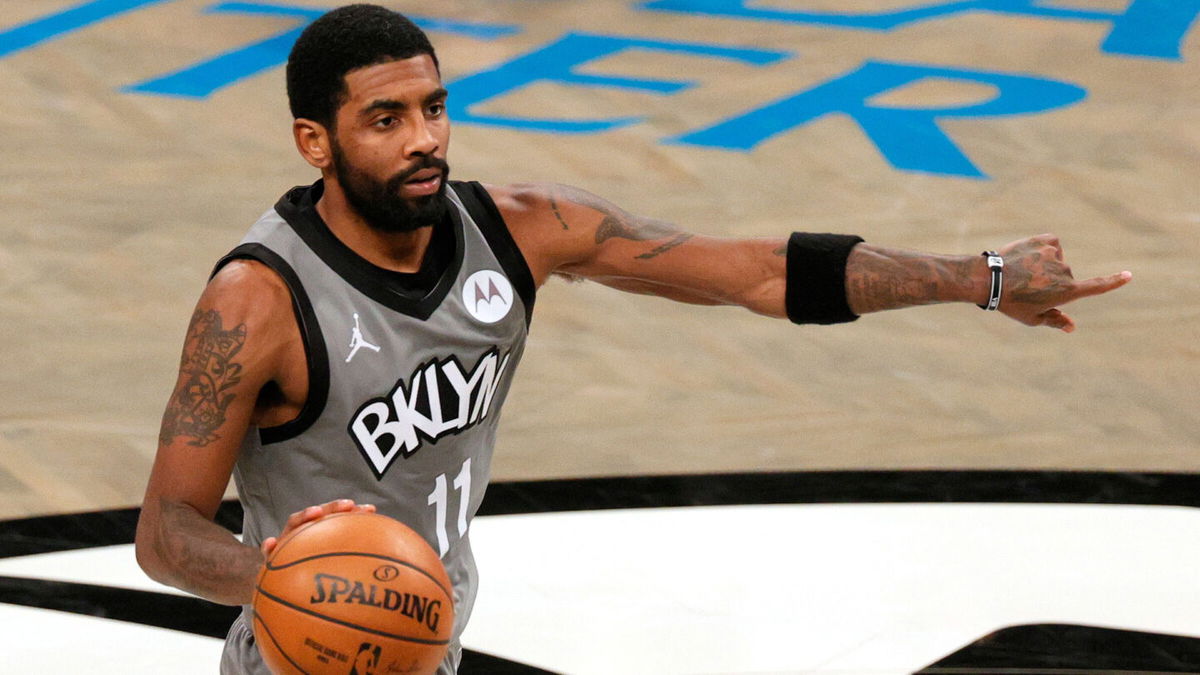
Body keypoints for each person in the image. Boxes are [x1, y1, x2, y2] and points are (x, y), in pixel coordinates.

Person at [133, 4, 1132, 673]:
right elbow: (165, 531)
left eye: (433, 108)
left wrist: (981, 279)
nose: (425, 137)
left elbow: (759, 270)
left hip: (430, 641)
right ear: (317, 142)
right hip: (310, 654)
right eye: (385, 119)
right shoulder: (255, 302)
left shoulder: (522, 228)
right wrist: (285, 576)